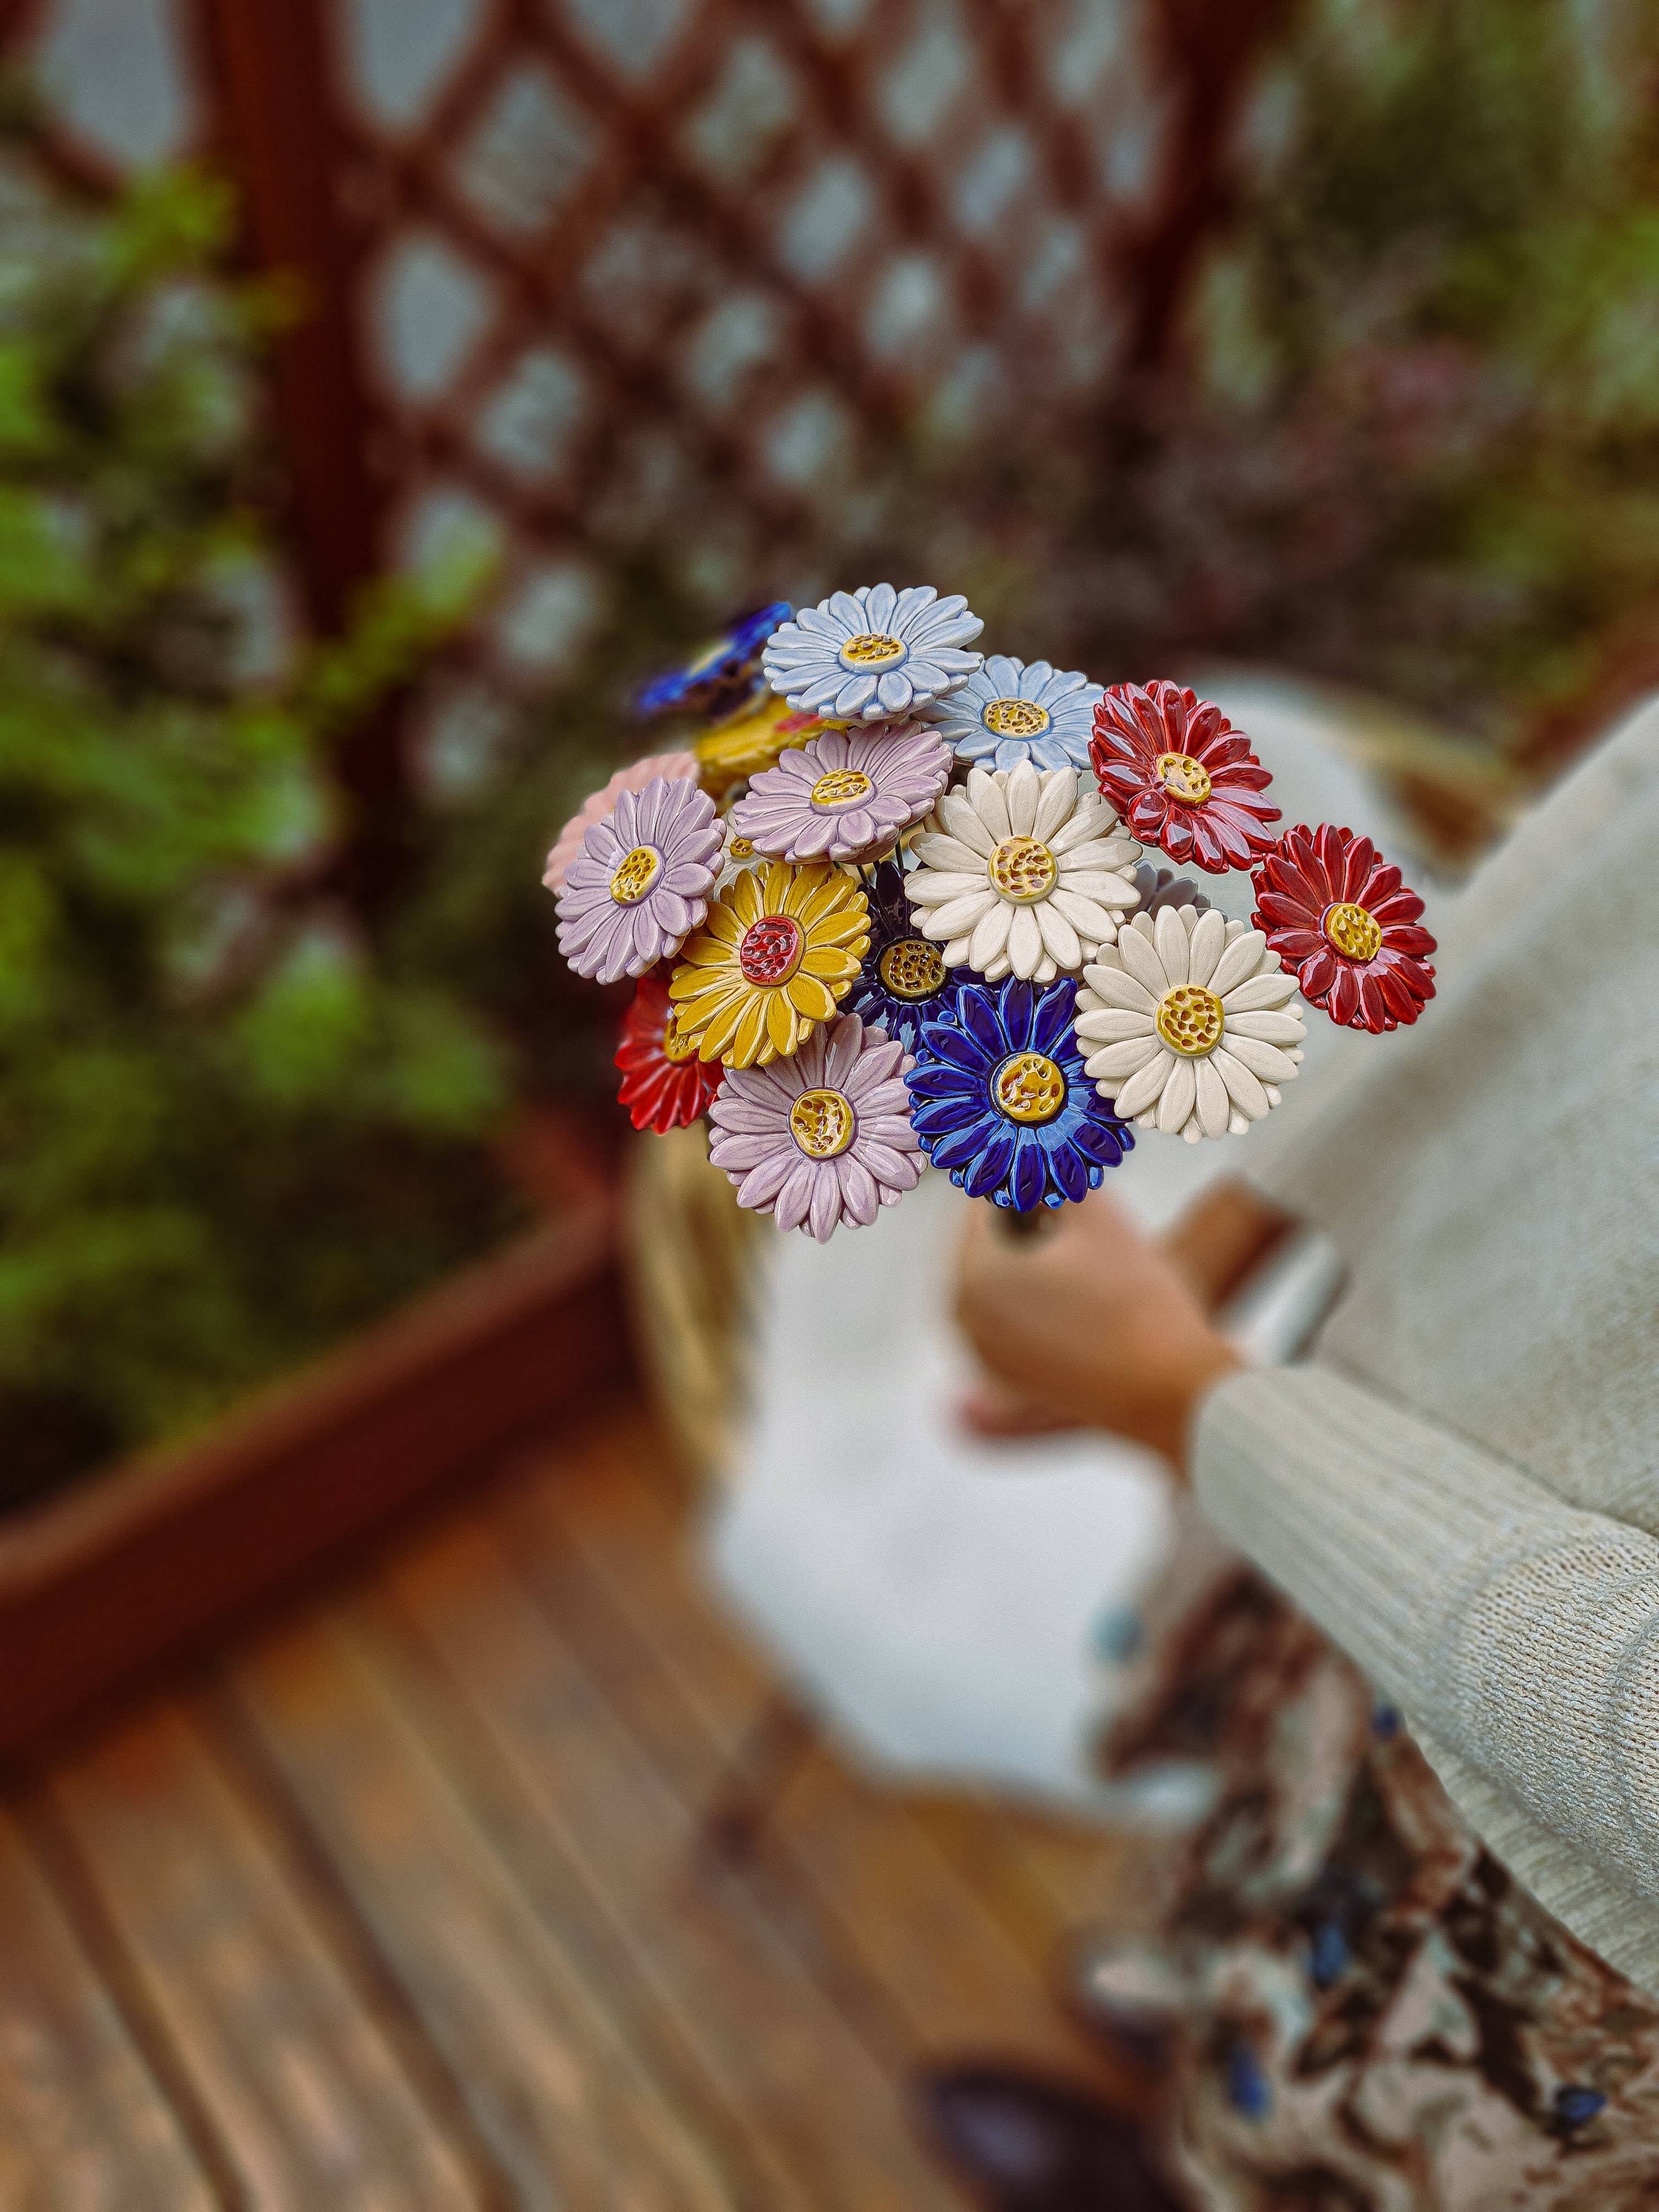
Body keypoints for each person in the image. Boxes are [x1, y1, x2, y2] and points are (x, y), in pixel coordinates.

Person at [930, 698, 1659, 2209]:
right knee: (1277, 1872)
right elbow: (1611, 847)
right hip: (1373, 1433)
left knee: (1372, 2143)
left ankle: (1184, 2181)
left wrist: (1187, 1403)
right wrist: (1223, 1239)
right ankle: (1207, 2029)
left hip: (1588, 1896)